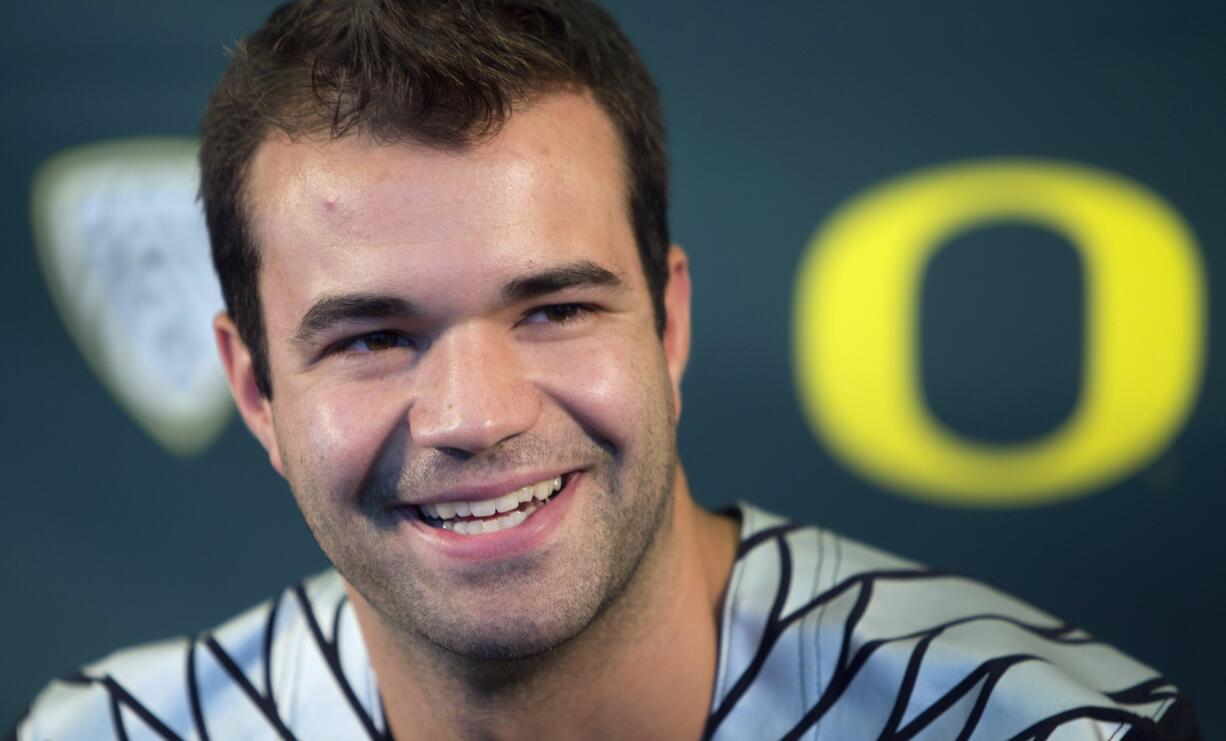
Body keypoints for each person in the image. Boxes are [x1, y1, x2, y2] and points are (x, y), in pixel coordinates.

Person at [14, 1, 1201, 739]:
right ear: (256, 390)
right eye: (371, 337)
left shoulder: (1037, 730)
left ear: (668, 323)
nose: (474, 417)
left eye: (555, 308)